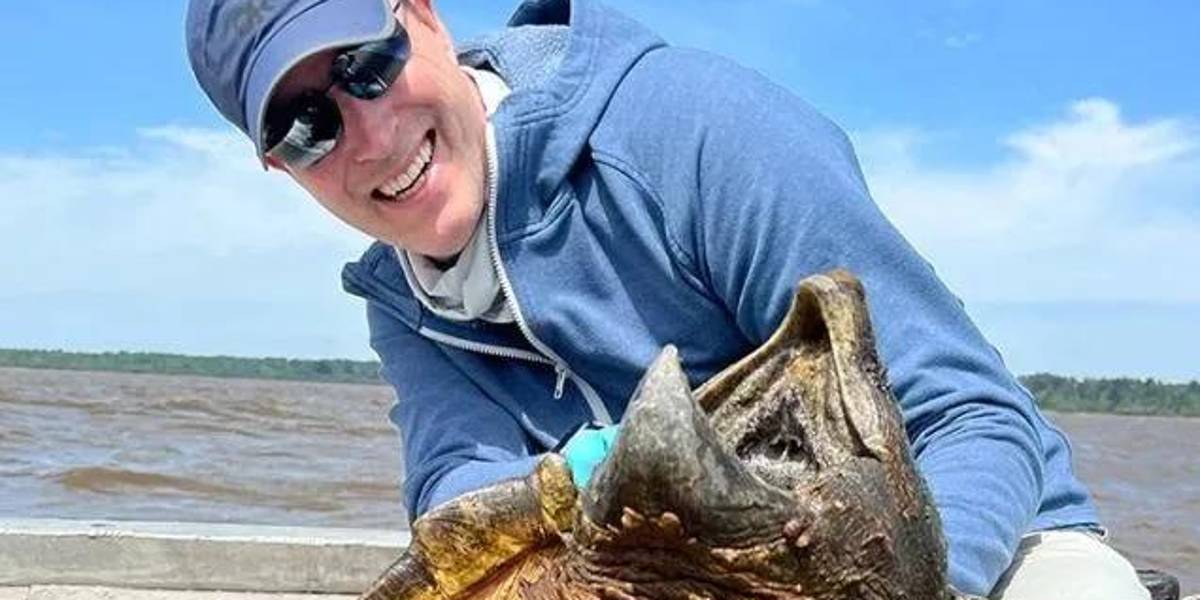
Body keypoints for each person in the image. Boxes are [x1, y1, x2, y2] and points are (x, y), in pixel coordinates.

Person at [184, 0, 1150, 597]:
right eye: (305, 126)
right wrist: (595, 474)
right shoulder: (403, 295)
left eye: (365, 65)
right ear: (278, 166)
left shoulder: (692, 130)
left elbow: (970, 414)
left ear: (425, 19)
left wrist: (919, 585)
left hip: (979, 549)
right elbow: (456, 494)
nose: (366, 134)